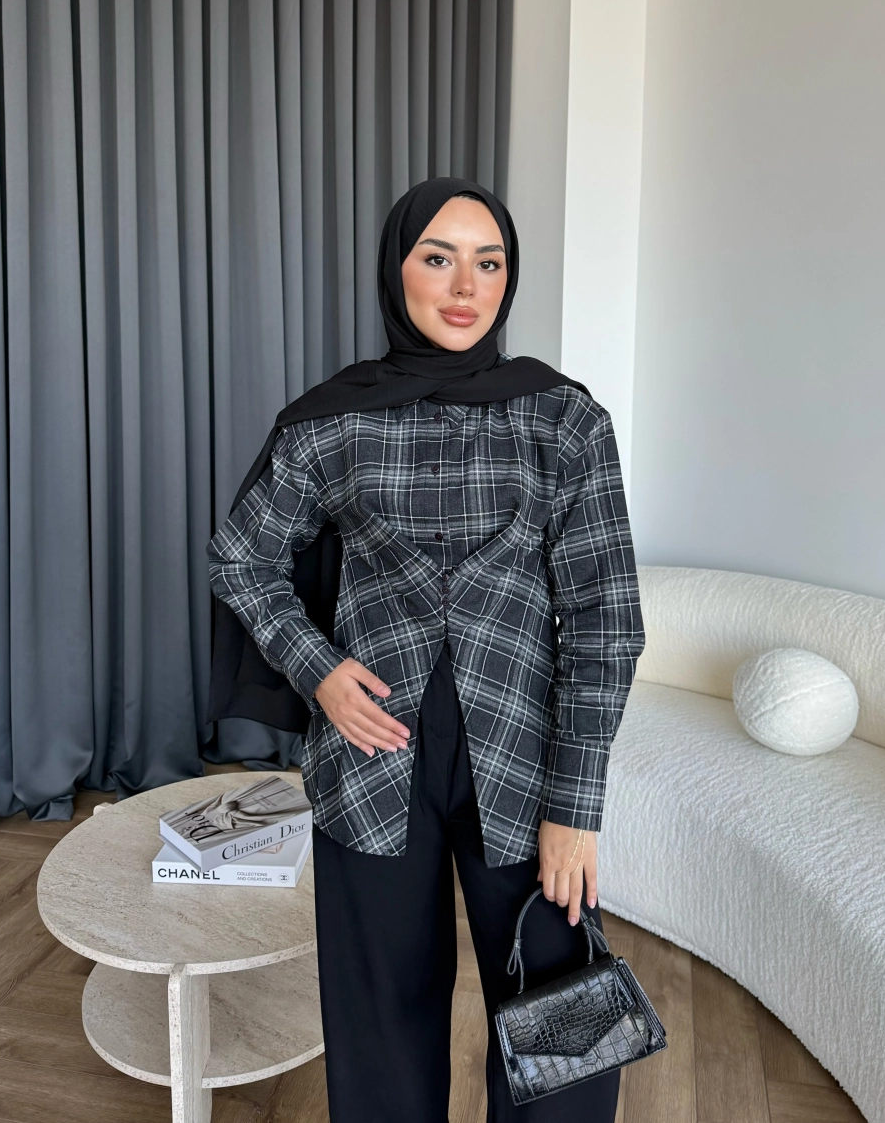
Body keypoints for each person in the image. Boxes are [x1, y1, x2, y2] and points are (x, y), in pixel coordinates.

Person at [207, 177, 645, 1123]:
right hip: (371, 761)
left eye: (489, 262)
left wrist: (576, 808)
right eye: (438, 258)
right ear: (396, 269)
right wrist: (318, 669)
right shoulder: (330, 422)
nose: (465, 286)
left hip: (525, 763)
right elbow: (241, 557)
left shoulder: (564, 421)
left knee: (562, 1022)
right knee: (381, 1020)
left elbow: (605, 619)